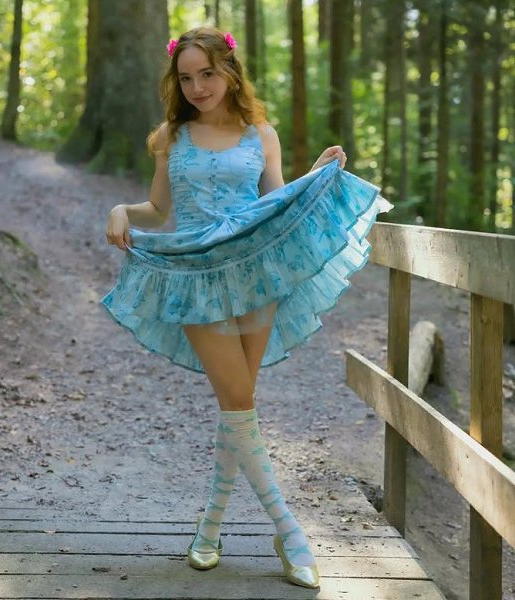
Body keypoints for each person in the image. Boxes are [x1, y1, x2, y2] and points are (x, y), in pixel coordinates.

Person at [102, 26, 393, 590]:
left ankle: (209, 530)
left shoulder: (262, 134)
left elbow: (273, 203)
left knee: (239, 409)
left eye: (207, 74)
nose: (197, 87)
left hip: (254, 276)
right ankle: (289, 532)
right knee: (238, 402)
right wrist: (121, 210)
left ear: (230, 72)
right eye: (187, 78)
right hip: (197, 277)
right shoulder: (170, 137)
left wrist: (315, 178)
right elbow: (158, 210)